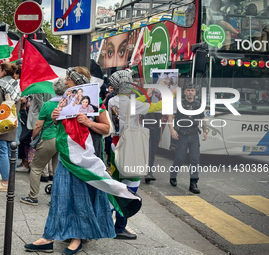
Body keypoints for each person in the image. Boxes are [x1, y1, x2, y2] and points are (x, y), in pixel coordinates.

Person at [24, 67, 116, 254]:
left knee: (80, 195)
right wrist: (56, 118)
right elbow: (62, 127)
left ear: (77, 81)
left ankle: (77, 237)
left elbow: (106, 128)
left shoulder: (95, 101)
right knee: (60, 195)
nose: (64, 82)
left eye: (68, 79)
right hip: (66, 156)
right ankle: (49, 236)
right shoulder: (66, 100)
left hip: (84, 157)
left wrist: (88, 122)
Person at [107, 70, 176, 239]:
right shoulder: (132, 103)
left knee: (116, 182)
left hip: (114, 144)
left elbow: (131, 104)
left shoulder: (112, 100)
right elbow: (156, 107)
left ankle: (106, 222)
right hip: (129, 145)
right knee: (131, 183)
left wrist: (147, 94)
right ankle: (120, 227)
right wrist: (171, 94)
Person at [20, 78, 66, 206]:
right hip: (61, 138)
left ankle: (33, 196)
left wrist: (33, 137)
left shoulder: (47, 105)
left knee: (36, 167)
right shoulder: (68, 104)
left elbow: (38, 126)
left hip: (48, 138)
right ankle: (56, 200)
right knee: (58, 170)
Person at [167, 82, 207, 194]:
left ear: (195, 92)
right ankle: (173, 174)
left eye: (192, 90)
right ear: (185, 92)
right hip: (182, 135)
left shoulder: (198, 105)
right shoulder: (179, 104)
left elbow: (202, 119)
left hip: (194, 135)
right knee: (180, 158)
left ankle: (193, 183)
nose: (190, 92)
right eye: (188, 90)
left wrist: (205, 131)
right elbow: (171, 117)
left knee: (195, 159)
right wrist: (172, 130)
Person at [0, 62, 21, 192]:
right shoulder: (17, 85)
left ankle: (5, 182)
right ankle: (10, 180)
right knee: (10, 153)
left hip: (1, 124)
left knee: (1, 151)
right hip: (13, 121)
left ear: (3, 70)